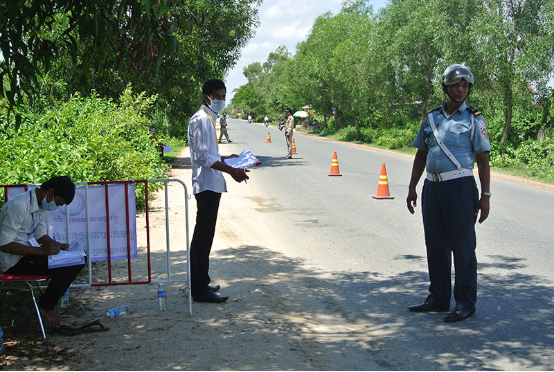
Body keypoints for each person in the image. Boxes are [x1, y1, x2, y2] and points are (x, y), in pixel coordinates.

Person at [406, 64, 491, 323]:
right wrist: (412, 186)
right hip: (432, 187)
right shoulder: (431, 119)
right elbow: (421, 153)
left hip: (461, 187)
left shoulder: (475, 119)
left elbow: (483, 159)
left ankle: (465, 303)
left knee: (463, 247)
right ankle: (439, 297)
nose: (461, 89)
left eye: (465, 86)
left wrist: (485, 195)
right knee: (435, 244)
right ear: (446, 88)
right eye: (456, 85)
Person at [188, 79, 249, 303]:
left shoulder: (206, 119)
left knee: (204, 237)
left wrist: (227, 159)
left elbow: (207, 154)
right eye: (217, 96)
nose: (221, 100)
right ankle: (199, 289)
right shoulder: (203, 120)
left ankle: (200, 282)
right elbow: (204, 158)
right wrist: (231, 170)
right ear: (206, 97)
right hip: (206, 185)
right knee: (203, 238)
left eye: (223, 96)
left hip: (208, 183)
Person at [0, 176, 85, 328]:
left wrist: (56, 245)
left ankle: (49, 302)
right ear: (50, 192)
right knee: (67, 266)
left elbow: (39, 235)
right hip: (14, 261)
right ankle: (47, 304)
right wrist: (42, 251)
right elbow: (4, 244)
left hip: (29, 255)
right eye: (58, 203)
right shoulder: (19, 205)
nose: (56, 207)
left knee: (80, 258)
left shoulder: (41, 206)